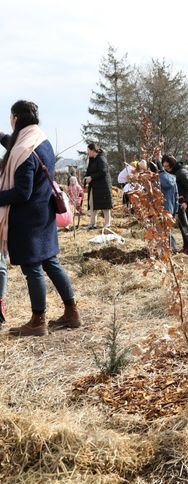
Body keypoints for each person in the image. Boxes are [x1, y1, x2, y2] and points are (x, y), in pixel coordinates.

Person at [0, 100, 81, 336]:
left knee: (32, 267)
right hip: (44, 213)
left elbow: (22, 192)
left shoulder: (23, 151)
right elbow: (15, 145)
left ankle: (38, 320)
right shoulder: (39, 140)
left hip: (28, 219)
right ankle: (71, 311)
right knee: (50, 262)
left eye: (10, 116)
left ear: (16, 118)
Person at [162, 154, 188, 255]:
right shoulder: (170, 172)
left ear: (172, 164)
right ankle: (183, 247)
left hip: (186, 200)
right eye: (164, 166)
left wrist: (185, 202)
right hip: (178, 200)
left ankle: (187, 248)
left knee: (183, 224)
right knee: (179, 223)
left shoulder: (182, 172)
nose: (166, 168)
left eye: (167, 166)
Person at [148, 161, 179, 253]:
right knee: (167, 230)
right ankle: (170, 249)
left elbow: (151, 197)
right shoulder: (172, 178)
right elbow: (176, 195)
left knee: (161, 230)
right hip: (170, 207)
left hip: (159, 208)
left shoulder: (153, 181)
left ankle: (168, 250)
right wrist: (175, 210)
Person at [84, 142, 113, 229]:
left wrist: (91, 177)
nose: (87, 152)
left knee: (105, 205)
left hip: (103, 186)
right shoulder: (92, 159)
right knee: (92, 204)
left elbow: (103, 172)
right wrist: (86, 178)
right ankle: (92, 223)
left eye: (88, 150)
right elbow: (89, 171)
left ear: (93, 150)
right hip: (94, 186)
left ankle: (107, 223)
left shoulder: (101, 159)